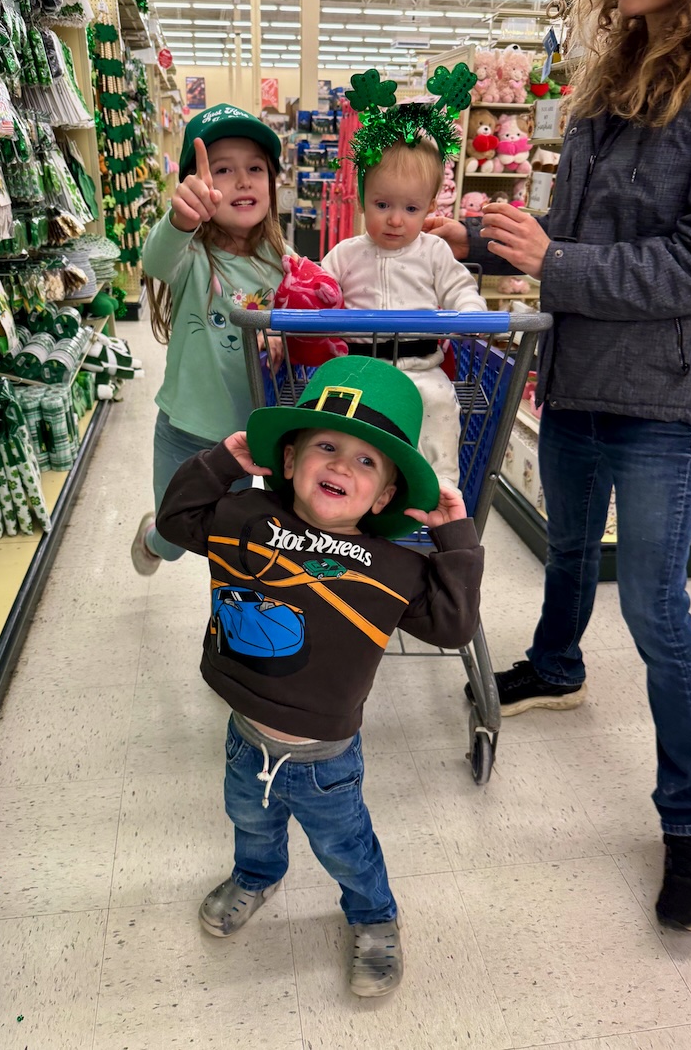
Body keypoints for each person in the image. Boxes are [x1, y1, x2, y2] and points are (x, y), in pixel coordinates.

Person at [428, 0, 691, 932]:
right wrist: (480, 240)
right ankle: (556, 664)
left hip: (665, 390)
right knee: (569, 545)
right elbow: (572, 237)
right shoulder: (604, 82)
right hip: (579, 366)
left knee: (656, 603)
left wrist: (556, 262)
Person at [156, 355, 484, 996]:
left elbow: (451, 628)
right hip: (244, 734)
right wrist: (223, 461)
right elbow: (174, 521)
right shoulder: (241, 520)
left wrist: (456, 540)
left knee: (346, 848)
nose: (340, 465)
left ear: (388, 495)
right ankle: (256, 875)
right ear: (286, 460)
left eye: (367, 461)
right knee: (248, 818)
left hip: (326, 760)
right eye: (326, 446)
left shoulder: (392, 568)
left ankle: (373, 915)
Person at [131, 104, 287, 576]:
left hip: (244, 440)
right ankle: (153, 538)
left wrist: (283, 339)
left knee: (226, 541)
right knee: (176, 535)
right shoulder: (190, 254)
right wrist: (181, 220)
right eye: (222, 170)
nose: (242, 181)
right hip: (184, 429)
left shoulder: (284, 263)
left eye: (255, 169)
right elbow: (156, 260)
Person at [322, 89, 488, 491]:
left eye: (411, 209)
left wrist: (471, 311)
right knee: (344, 429)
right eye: (382, 204)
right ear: (362, 198)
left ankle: (440, 488)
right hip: (358, 368)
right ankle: (353, 492)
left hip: (422, 369)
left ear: (430, 206)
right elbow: (318, 287)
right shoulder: (345, 253)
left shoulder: (433, 251)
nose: (396, 220)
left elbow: (458, 285)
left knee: (437, 409)